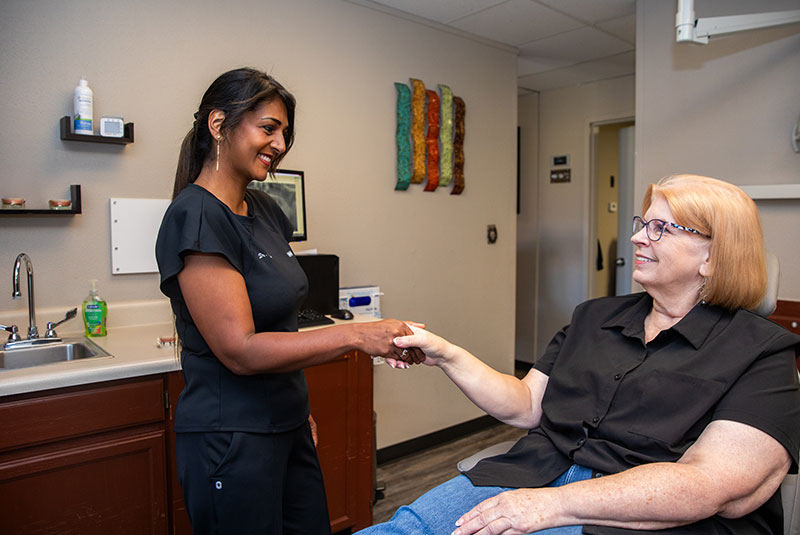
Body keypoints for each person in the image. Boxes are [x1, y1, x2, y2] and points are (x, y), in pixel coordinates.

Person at [370, 174, 800, 535]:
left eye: (660, 229)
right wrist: (447, 355)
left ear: (712, 256)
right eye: (642, 223)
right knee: (407, 528)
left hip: (636, 512)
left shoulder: (762, 352)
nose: (635, 237)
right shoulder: (594, 317)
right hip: (534, 472)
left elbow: (711, 484)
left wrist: (555, 505)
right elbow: (526, 405)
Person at [155, 67, 423, 535]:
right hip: (231, 438)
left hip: (288, 425)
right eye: (268, 128)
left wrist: (297, 412)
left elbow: (280, 320)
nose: (280, 144)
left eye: (284, 133)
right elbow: (240, 350)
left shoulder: (265, 209)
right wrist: (358, 333)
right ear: (218, 125)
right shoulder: (194, 216)